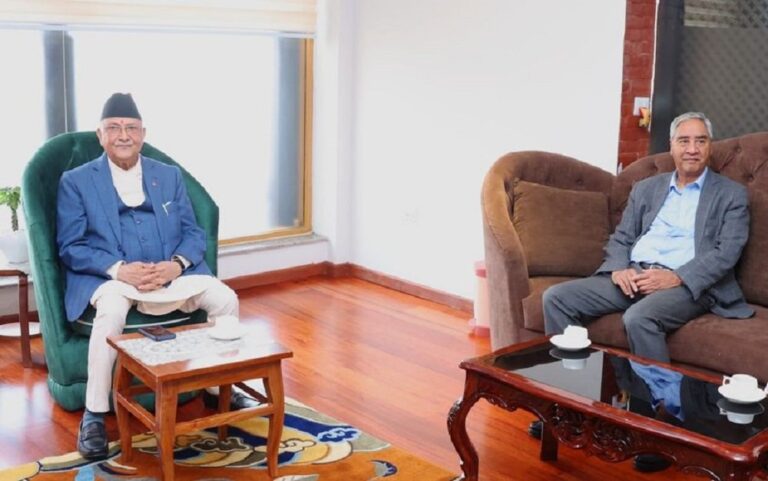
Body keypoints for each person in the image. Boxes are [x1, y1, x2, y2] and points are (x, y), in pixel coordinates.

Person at [537, 111, 753, 472]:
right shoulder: (647, 188)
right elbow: (622, 238)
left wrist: (676, 277)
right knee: (556, 298)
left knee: (640, 318)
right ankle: (568, 408)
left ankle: (656, 428)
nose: (692, 148)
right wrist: (619, 268)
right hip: (633, 275)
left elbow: (725, 253)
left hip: (688, 283)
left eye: (700, 141)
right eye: (684, 141)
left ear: (710, 147)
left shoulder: (730, 194)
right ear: (671, 147)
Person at [57, 93, 257, 459]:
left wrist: (176, 264)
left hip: (168, 273)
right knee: (111, 313)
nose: (123, 135)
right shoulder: (76, 181)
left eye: (131, 128)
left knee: (225, 298)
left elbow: (193, 231)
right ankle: (94, 414)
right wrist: (120, 270)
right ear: (100, 135)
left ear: (143, 134)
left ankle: (218, 390)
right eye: (114, 128)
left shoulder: (168, 175)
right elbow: (71, 245)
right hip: (113, 278)